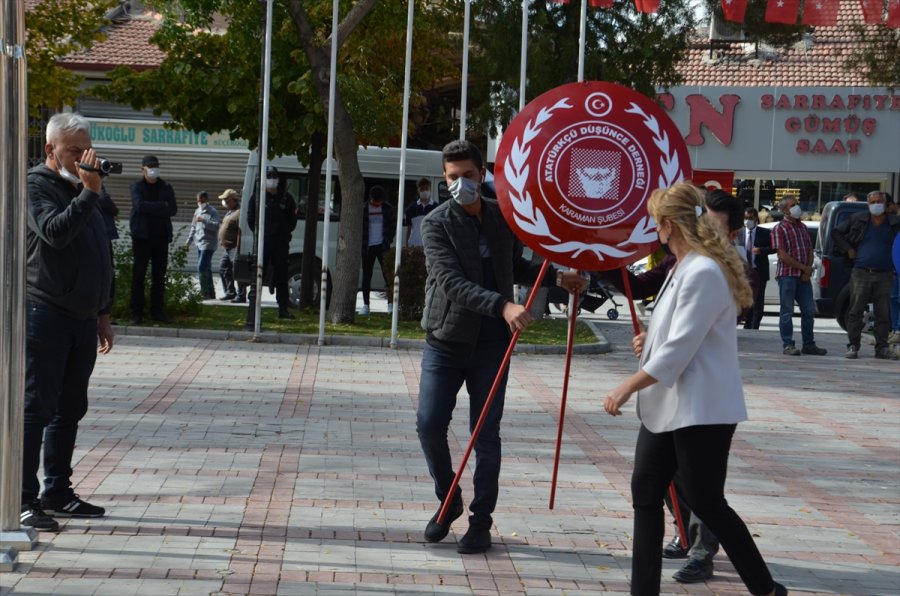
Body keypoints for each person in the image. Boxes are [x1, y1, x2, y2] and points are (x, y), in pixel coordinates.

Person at [604, 183, 787, 596]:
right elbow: (676, 335)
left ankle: (766, 589)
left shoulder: (703, 270)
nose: (655, 229)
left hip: (702, 410)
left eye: (656, 222)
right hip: (670, 405)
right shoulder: (683, 266)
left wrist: (626, 387)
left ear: (670, 225)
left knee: (706, 503)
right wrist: (649, 340)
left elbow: (679, 350)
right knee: (645, 492)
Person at [415, 140, 586, 554]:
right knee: (429, 424)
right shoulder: (436, 224)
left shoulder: (503, 216)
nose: (460, 184)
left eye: (468, 176)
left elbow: (513, 265)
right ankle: (448, 499)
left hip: (493, 346)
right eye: (452, 178)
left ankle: (481, 522)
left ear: (482, 173)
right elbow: (452, 282)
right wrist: (503, 305)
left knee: (485, 434)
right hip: (446, 340)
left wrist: (555, 278)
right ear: (444, 178)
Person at [21, 112, 114, 532]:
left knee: (70, 407)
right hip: (45, 312)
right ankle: (21, 498)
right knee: (36, 408)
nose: (83, 157)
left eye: (86, 148)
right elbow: (54, 232)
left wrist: (103, 313)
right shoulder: (35, 186)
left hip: (81, 316)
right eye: (74, 150)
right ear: (50, 149)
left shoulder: (83, 188)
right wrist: (89, 193)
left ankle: (57, 492)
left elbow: (101, 252)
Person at [832, 190, 900, 360]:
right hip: (861, 272)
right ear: (868, 204)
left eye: (879, 202)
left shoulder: (894, 222)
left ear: (885, 204)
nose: (876, 205)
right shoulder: (858, 219)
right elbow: (836, 232)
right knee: (855, 310)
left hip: (885, 274)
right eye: (872, 202)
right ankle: (853, 345)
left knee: (883, 313)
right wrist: (848, 249)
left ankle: (882, 348)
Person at [771, 196, 826, 356]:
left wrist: (807, 269)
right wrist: (803, 268)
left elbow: (809, 249)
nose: (796, 207)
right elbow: (782, 255)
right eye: (792, 205)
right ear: (784, 210)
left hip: (803, 277)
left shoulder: (802, 227)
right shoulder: (779, 228)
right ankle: (788, 344)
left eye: (797, 204)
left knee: (809, 311)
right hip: (787, 275)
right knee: (787, 312)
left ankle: (809, 344)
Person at [246, 165, 297, 327]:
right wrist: (262, 234)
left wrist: (282, 232)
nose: (272, 179)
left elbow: (292, 221)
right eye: (269, 176)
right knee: (258, 275)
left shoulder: (287, 198)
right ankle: (254, 308)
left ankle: (283, 309)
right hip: (263, 242)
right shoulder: (257, 197)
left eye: (275, 176)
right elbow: (251, 219)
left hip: (281, 243)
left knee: (282, 276)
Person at [129, 154, 177, 324]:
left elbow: (172, 209)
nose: (154, 169)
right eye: (150, 166)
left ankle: (157, 312)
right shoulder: (136, 186)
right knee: (139, 276)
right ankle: (137, 313)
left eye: (156, 165)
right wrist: (161, 205)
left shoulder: (166, 187)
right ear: (143, 169)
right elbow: (139, 206)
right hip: (142, 237)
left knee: (159, 277)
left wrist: (153, 207)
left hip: (161, 237)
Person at [360, 185, 397, 315]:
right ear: (370, 199)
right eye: (375, 201)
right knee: (366, 276)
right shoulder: (363, 209)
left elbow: (392, 226)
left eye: (379, 201)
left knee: (388, 276)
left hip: (383, 246)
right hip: (367, 247)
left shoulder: (388, 208)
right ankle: (366, 305)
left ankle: (390, 304)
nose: (377, 204)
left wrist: (388, 240)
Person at [184, 190, 220, 300]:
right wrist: (188, 242)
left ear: (206, 200)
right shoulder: (197, 211)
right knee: (207, 268)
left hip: (209, 244)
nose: (200, 203)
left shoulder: (212, 211)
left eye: (202, 200)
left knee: (201, 267)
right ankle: (211, 293)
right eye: (198, 201)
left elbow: (216, 226)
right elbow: (193, 227)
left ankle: (205, 293)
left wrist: (204, 220)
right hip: (199, 243)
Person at [741, 207, 772, 329]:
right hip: (743, 273)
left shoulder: (765, 233)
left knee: (758, 301)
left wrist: (761, 250)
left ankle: (754, 327)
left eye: (750, 218)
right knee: (745, 300)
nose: (748, 220)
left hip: (759, 272)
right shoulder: (739, 233)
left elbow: (773, 248)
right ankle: (747, 324)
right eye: (746, 218)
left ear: (755, 219)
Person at [217, 189, 243, 302]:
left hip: (235, 247)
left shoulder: (239, 212)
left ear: (233, 199)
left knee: (237, 271)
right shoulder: (230, 211)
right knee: (223, 268)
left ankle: (241, 295)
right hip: (227, 248)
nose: (225, 202)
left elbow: (241, 231)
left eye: (226, 199)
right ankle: (230, 292)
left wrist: (239, 246)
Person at [404, 178, 437, 247]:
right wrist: (407, 244)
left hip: (430, 246)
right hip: (413, 245)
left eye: (426, 188)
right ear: (418, 191)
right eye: (422, 189)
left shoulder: (437, 208)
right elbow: (409, 229)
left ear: (430, 189)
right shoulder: (411, 208)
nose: (424, 191)